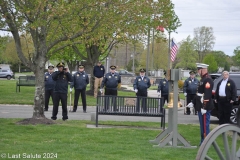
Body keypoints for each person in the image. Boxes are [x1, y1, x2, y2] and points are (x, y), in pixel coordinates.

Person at [193, 63, 214, 145]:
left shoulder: (207, 79)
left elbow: (207, 94)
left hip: (204, 106)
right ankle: (203, 141)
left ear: (203, 70)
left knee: (205, 125)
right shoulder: (202, 79)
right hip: (200, 105)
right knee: (202, 125)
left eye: (199, 70)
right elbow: (199, 93)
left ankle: (206, 142)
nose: (198, 72)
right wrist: (193, 102)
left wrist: (204, 107)